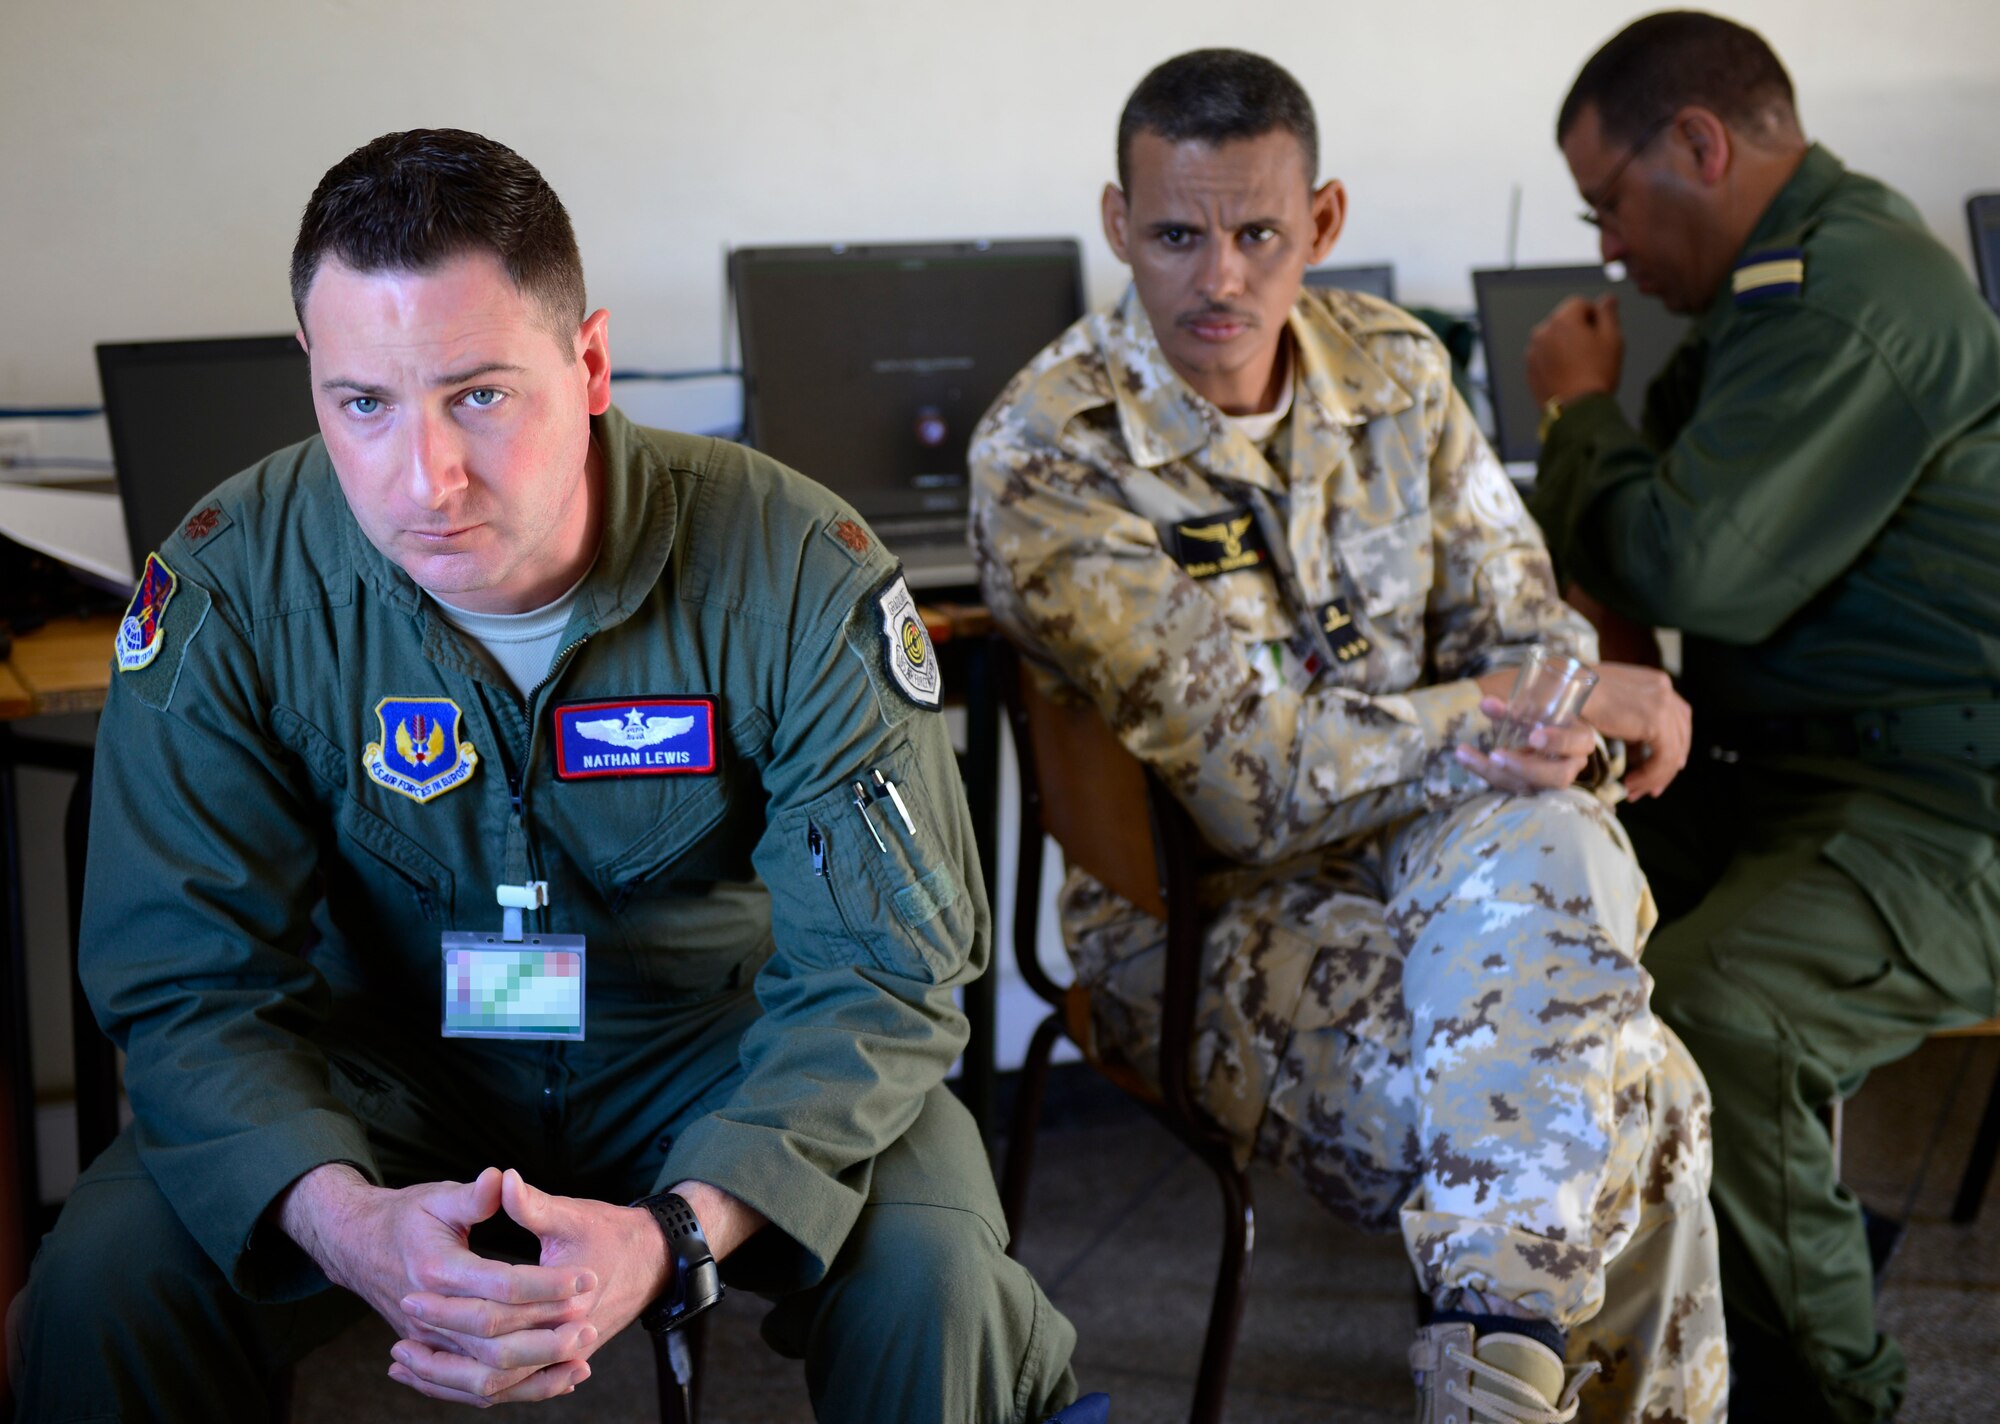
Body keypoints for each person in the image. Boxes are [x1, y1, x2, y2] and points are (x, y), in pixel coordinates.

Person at [8, 128, 1094, 1423]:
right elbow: (187, 980)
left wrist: (681, 1232)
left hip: (712, 1045)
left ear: (587, 364)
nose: (425, 479)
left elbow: (879, 973)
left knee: (938, 1280)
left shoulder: (796, 567)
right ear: (312, 376)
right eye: (364, 403)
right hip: (388, 1060)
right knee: (100, 1289)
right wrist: (341, 1217)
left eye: (478, 394)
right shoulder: (232, 587)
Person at [972, 48, 1725, 1424]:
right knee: (1642, 1090)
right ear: (1116, 222)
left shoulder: (1397, 368)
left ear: (1319, 222)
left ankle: (1494, 1353)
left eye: (1258, 234)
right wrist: (1527, 714)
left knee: (1557, 834)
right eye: (1178, 235)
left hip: (1463, 860)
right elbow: (1251, 785)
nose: (1219, 278)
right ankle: (1509, 1358)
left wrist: (1548, 717)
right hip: (1210, 926)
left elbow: (1528, 635)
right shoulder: (1056, 448)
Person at [1524, 11, 2000, 1421]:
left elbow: (1688, 566)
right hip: (1798, 779)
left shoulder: (1848, 296)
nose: (1608, 245)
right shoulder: (1764, 297)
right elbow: (1644, 529)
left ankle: (1834, 1397)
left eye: (1607, 200)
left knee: (1729, 1009)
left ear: (1700, 144)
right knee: (1545, 915)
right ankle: (1622, 1332)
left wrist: (1569, 414)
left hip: (1947, 809)